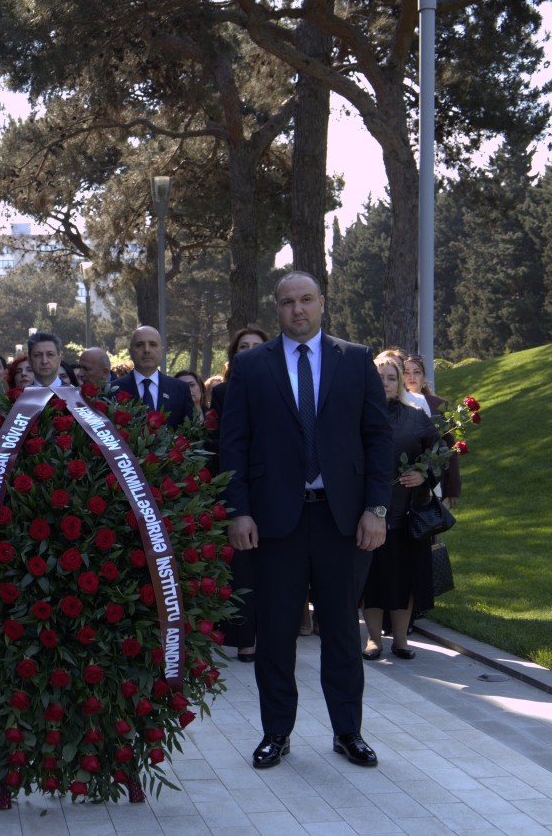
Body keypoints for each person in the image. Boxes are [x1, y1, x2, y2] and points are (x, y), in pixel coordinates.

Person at [220, 271, 391, 771]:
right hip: (275, 523)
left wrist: (376, 509)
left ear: (322, 304)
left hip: (342, 521)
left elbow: (378, 441)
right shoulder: (251, 367)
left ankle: (348, 732)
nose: (298, 310)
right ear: (277, 308)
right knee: (275, 634)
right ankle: (276, 733)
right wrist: (239, 510)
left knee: (341, 631)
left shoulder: (355, 360)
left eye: (306, 300)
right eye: (287, 302)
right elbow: (235, 445)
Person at [361, 356, 440, 661]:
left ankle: (402, 640)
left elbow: (439, 451)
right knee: (373, 578)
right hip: (368, 511)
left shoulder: (416, 416)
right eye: (379, 377)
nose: (385, 383)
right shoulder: (358, 415)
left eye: (391, 377)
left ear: (400, 382)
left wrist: (424, 473)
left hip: (407, 513)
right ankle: (373, 639)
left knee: (404, 578)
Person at [210, 326, 270, 659]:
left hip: (277, 487)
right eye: (242, 346)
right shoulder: (223, 393)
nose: (248, 351)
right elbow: (228, 443)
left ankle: (274, 636)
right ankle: (246, 639)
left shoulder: (284, 385)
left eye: (255, 346)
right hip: (241, 486)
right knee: (243, 566)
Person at [403, 354, 461, 508]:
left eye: (417, 372)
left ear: (423, 379)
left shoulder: (439, 406)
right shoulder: (393, 405)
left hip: (433, 483)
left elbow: (450, 449)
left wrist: (453, 487)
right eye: (406, 372)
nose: (411, 377)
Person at [111, 326, 194, 428]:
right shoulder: (112, 390)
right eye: (140, 345)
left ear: (162, 351)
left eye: (153, 344)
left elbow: (189, 433)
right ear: (130, 352)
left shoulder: (180, 390)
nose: (146, 350)